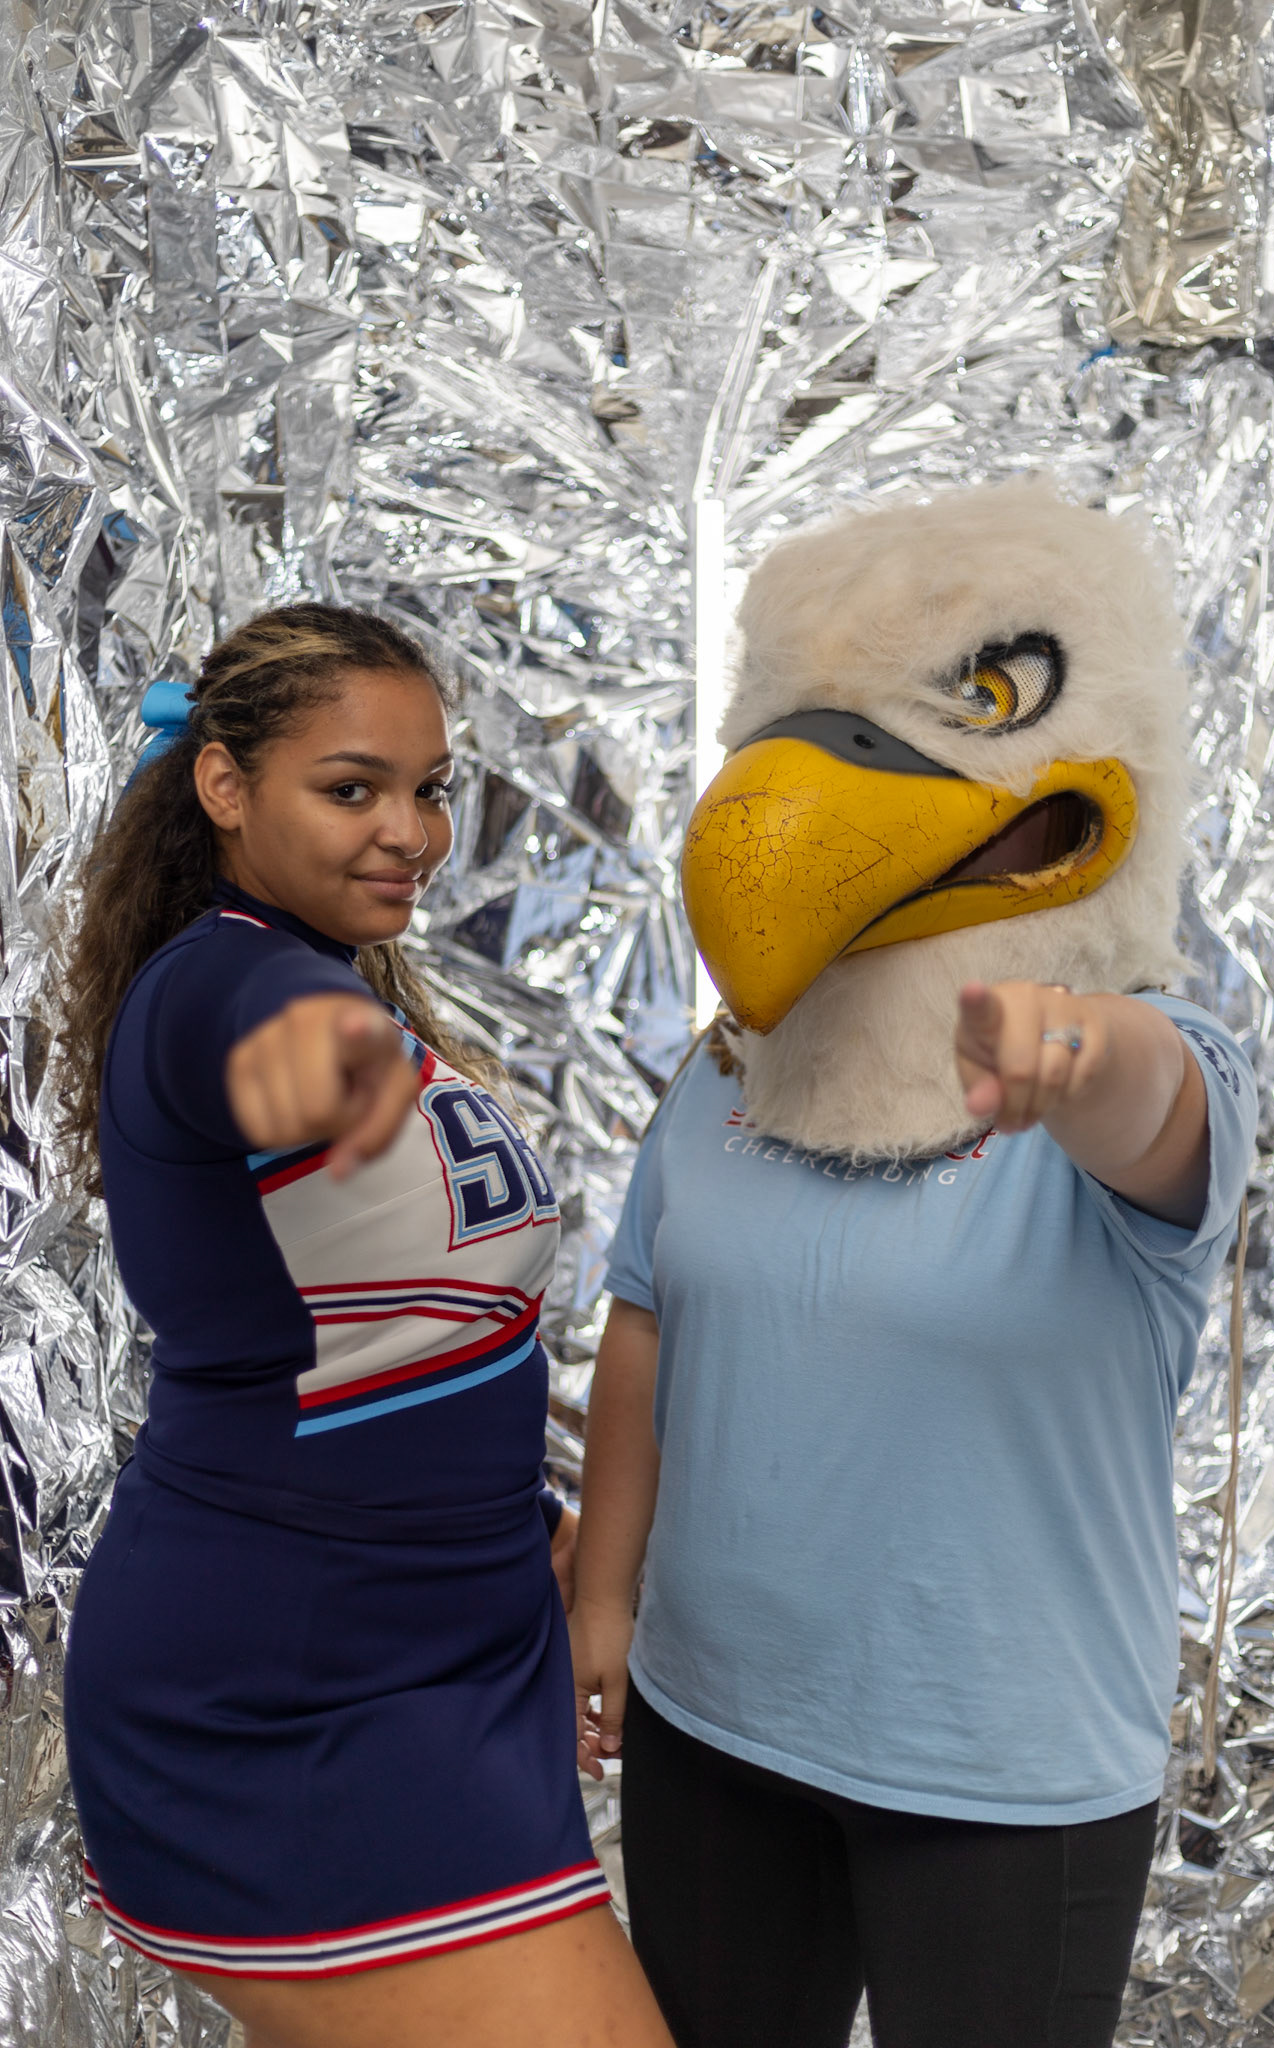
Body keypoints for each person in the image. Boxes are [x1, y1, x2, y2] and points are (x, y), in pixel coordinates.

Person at [570, 481, 1258, 2048]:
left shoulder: (1158, 1076)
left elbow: (1153, 1106)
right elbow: (646, 1327)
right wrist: (603, 1600)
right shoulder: (727, 1071)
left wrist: (1067, 1050)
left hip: (999, 1777)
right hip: (716, 1726)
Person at [57, 605, 672, 2048]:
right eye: (351, 790)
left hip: (447, 1657)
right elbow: (256, 1038)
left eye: (431, 788)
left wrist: (524, 1527)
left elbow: (382, 1333)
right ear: (225, 788)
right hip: (290, 1687)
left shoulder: (343, 982)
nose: (408, 830)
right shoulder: (226, 980)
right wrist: (311, 1065)